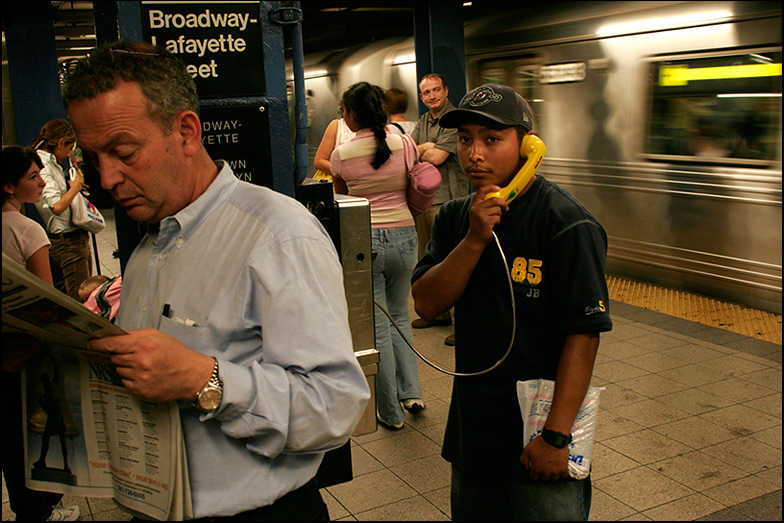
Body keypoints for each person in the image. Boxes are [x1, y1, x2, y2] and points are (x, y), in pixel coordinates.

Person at [62, 40, 370, 520]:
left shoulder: (277, 237)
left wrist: (203, 379)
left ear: (186, 131)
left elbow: (333, 408)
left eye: (123, 152)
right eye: (93, 158)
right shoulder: (150, 247)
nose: (108, 178)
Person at [411, 84, 612, 521]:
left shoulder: (566, 223)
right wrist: (474, 239)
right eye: (465, 139)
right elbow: (426, 304)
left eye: (492, 139)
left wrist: (556, 437)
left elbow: (583, 335)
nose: (474, 154)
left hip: (539, 434)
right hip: (474, 434)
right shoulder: (453, 218)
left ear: (529, 145)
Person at [330, 82, 425, 430]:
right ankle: (412, 393)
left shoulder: (342, 154)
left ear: (352, 114)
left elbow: (345, 202)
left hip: (365, 244)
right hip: (405, 238)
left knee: (378, 327)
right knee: (401, 314)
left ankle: (390, 410)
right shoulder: (405, 143)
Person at [2, 145, 80, 521]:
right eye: (33, 177)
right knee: (30, 434)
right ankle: (39, 509)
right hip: (25, 355)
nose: (42, 181)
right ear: (8, 186)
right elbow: (46, 302)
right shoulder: (27, 230)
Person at [410, 74, 471, 341]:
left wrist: (425, 148)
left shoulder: (454, 118)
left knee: (456, 263)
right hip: (426, 201)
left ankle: (464, 323)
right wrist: (425, 147)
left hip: (450, 199)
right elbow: (410, 150)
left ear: (446, 91)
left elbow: (436, 157)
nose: (432, 96)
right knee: (432, 259)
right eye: (426, 93)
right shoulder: (424, 120)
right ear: (421, 96)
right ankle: (440, 313)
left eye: (436, 90)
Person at [32, 119, 92, 301]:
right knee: (80, 298)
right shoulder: (43, 166)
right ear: (59, 143)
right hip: (67, 242)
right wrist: (74, 188)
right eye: (68, 148)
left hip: (75, 237)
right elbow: (56, 207)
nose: (68, 154)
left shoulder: (52, 164)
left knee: (86, 292)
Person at [313, 115, 356, 181]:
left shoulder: (374, 128)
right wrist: (345, 172)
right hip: (335, 180)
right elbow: (319, 162)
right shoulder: (337, 126)